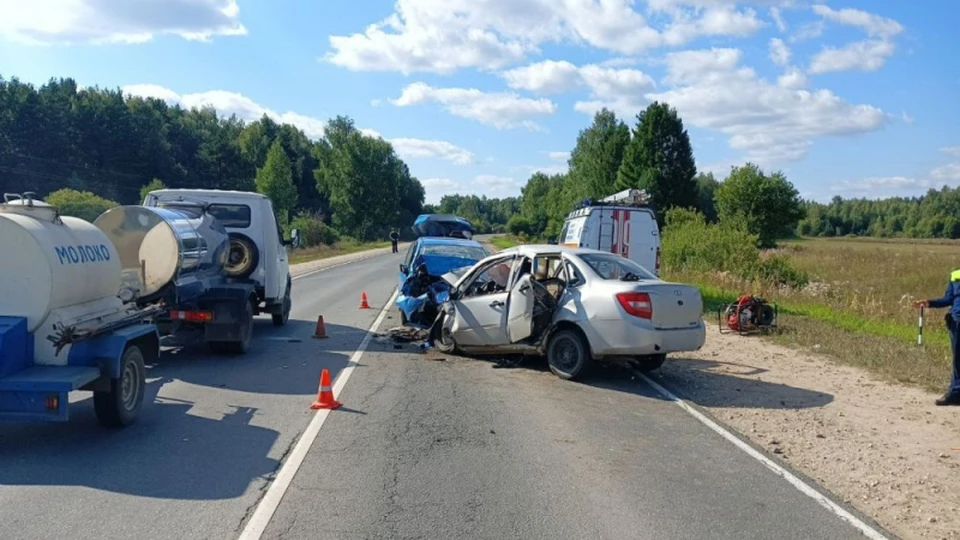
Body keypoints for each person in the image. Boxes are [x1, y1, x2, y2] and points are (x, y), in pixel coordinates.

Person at [914, 268, 960, 406]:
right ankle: (955, 395)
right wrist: (929, 303)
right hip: (957, 322)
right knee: (958, 359)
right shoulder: (955, 274)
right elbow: (948, 299)